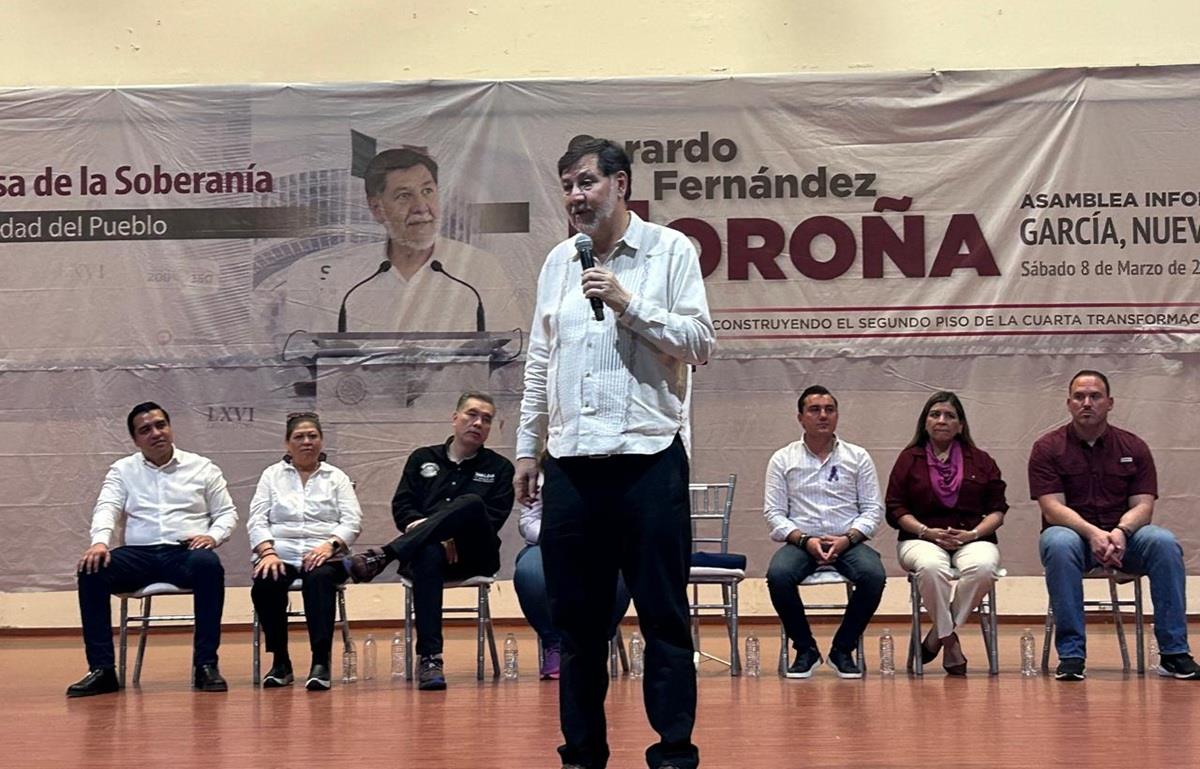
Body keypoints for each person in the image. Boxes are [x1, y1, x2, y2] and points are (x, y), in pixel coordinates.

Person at [513, 135, 715, 769]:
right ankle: (582, 753)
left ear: (621, 184)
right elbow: (540, 362)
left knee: (662, 616)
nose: (575, 196)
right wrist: (527, 449)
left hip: (649, 458)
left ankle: (674, 752)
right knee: (577, 625)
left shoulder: (669, 251)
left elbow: (699, 343)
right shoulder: (556, 263)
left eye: (587, 183)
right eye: (568, 185)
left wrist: (627, 304)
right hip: (570, 464)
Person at [1030, 369, 1199, 681]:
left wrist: (1120, 532)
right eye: (1079, 396)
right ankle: (1071, 655)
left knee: (1163, 541)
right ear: (1068, 404)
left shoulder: (1133, 447)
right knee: (1057, 541)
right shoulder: (1047, 448)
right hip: (1076, 540)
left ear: (1110, 403)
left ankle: (1174, 653)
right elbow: (1052, 508)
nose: (1087, 402)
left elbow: (1144, 506)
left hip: (1125, 539)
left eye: (1095, 396)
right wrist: (1094, 534)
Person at [342, 391, 515, 690]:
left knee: (472, 502)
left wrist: (446, 533)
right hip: (426, 553)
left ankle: (383, 555)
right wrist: (431, 531)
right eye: (471, 415)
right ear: (455, 418)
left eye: (486, 419)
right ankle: (430, 659)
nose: (478, 423)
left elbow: (492, 520)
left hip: (475, 552)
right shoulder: (423, 458)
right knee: (428, 553)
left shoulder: (500, 468)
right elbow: (403, 508)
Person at [257, 146, 527, 335]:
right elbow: (298, 356)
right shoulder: (338, 276)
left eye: (428, 191)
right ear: (377, 208)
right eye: (404, 196)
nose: (422, 207)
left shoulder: (479, 269)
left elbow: (511, 349)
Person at [68, 402, 238, 697]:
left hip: (184, 552)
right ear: (135, 440)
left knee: (208, 565)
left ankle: (205, 665)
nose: (156, 433)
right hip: (138, 554)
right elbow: (107, 507)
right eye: (145, 430)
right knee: (91, 569)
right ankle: (102, 670)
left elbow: (227, 513)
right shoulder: (123, 470)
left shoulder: (202, 467)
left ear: (170, 427)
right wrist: (100, 541)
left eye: (161, 425)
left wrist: (213, 536)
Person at [764, 385, 885, 680]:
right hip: (802, 541)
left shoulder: (858, 456)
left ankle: (842, 649)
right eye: (814, 410)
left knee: (874, 575)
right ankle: (805, 649)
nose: (823, 416)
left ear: (837, 416)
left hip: (848, 541)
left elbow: (873, 509)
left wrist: (848, 539)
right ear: (800, 418)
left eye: (829, 410)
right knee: (778, 576)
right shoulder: (783, 458)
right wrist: (805, 540)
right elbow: (774, 513)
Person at [884, 391, 1007, 675]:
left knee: (985, 567)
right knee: (931, 567)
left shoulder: (981, 460)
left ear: (961, 425)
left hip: (972, 537)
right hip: (921, 538)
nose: (942, 420)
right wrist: (927, 532)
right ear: (925, 422)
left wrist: (972, 535)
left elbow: (998, 511)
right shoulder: (908, 459)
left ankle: (934, 637)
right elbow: (895, 509)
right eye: (935, 414)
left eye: (950, 415)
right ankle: (949, 640)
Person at [247, 412, 362, 691]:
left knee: (319, 579)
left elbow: (352, 520)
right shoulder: (271, 476)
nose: (307, 441)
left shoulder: (337, 477)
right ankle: (281, 662)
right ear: (287, 443)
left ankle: (320, 662)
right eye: (299, 437)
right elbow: (257, 519)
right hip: (281, 554)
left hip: (325, 555)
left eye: (313, 436)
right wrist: (267, 552)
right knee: (265, 581)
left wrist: (330, 544)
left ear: (321, 441)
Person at [513, 476, 632, 680]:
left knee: (620, 571)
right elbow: (528, 522)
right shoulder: (541, 473)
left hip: (602, 543)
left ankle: (597, 643)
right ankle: (555, 644)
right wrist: (560, 537)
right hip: (547, 541)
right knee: (529, 571)